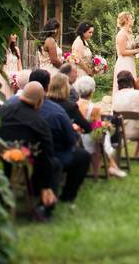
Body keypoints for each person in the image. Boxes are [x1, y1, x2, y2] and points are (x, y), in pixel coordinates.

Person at [0, 82, 59, 218]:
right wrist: (46, 186)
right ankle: (44, 205)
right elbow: (48, 152)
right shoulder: (39, 122)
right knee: (52, 163)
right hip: (21, 167)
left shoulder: (1, 111)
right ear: (40, 101)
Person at [37, 72, 91, 204]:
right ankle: (68, 195)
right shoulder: (69, 107)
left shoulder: (41, 104)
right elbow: (87, 128)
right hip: (58, 151)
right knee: (83, 156)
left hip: (38, 149)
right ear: (66, 88)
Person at [74, 75, 127, 178]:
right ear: (92, 91)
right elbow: (97, 128)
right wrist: (105, 125)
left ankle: (112, 165)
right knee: (103, 134)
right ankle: (97, 172)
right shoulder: (95, 108)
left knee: (102, 133)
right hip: (88, 140)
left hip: (75, 137)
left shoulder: (73, 104)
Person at [113, 11, 139, 97]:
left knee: (131, 85)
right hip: (124, 63)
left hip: (130, 62)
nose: (133, 20)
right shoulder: (121, 34)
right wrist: (138, 50)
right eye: (131, 18)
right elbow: (122, 52)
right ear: (126, 20)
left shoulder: (129, 33)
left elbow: (131, 49)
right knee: (125, 86)